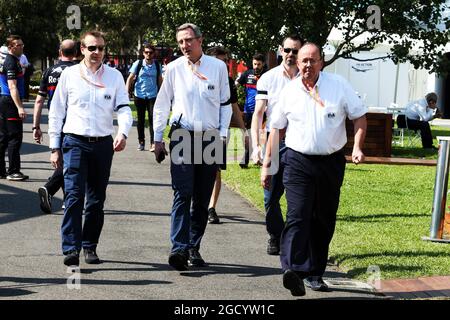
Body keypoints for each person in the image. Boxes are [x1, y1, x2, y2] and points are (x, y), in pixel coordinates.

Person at [261, 43, 367, 296]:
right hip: (298, 161)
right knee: (298, 215)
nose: (308, 65)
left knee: (323, 218)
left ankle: (315, 272)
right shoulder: (289, 92)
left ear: (322, 62)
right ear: (298, 63)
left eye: (313, 60)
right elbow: (276, 129)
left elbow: (359, 117)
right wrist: (268, 166)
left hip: (331, 162)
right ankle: (293, 269)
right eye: (304, 60)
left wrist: (358, 147)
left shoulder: (338, 85)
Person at [48, 31, 133, 266]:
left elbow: (124, 108)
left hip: (103, 145)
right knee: (74, 196)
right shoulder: (70, 75)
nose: (97, 53)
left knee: (96, 200)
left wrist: (123, 132)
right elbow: (56, 112)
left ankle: (89, 246)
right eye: (92, 48)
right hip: (74, 142)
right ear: (82, 49)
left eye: (101, 48)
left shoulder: (115, 76)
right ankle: (71, 248)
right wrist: (54, 146)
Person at [153, 23, 232, 271]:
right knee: (182, 193)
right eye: (180, 42)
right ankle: (178, 248)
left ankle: (193, 247)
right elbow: (162, 104)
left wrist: (222, 136)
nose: (185, 46)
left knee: (201, 197)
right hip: (182, 136)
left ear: (200, 40)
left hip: (210, 138)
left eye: (188, 40)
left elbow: (225, 105)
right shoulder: (174, 68)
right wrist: (157, 138)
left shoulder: (218, 67)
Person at [251, 35, 303, 255]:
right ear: (281, 50)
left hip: (300, 142)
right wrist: (256, 146)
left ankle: (293, 239)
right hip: (275, 140)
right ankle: (275, 234)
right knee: (270, 197)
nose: (291, 55)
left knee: (298, 198)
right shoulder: (268, 78)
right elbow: (259, 113)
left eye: (295, 51)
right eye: (288, 50)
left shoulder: (310, 77)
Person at [32, 39, 76, 214]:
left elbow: (39, 100)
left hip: (55, 119)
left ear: (60, 52)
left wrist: (36, 126)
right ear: (77, 53)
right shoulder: (77, 70)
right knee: (70, 161)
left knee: (66, 159)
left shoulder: (49, 71)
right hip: (73, 121)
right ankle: (50, 188)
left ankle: (67, 199)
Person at [205, 46, 247, 224]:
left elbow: (234, 107)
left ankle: (211, 208)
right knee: (196, 171)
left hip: (219, 131)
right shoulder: (200, 76)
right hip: (197, 130)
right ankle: (197, 203)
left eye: (226, 61)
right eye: (220, 61)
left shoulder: (229, 82)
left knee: (215, 171)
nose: (224, 64)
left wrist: (244, 131)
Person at [0, 35, 28, 181]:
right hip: (10, 102)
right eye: (19, 45)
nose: (22, 47)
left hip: (5, 101)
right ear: (11, 47)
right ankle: (13, 171)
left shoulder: (14, 61)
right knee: (14, 137)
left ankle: (1, 170)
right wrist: (20, 107)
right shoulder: (11, 62)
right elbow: (12, 87)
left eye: (22, 44)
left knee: (4, 137)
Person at [126, 44, 162, 152]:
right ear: (143, 53)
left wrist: (163, 93)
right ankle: (141, 142)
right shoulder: (138, 63)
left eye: (150, 52)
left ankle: (153, 143)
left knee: (152, 119)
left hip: (153, 95)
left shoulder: (156, 64)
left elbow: (160, 79)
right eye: (146, 52)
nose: (148, 54)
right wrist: (126, 92)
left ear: (153, 53)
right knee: (140, 120)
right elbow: (130, 78)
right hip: (139, 95)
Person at [236, 53, 265, 168]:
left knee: (262, 136)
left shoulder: (267, 76)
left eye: (258, 64)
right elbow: (236, 84)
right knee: (250, 135)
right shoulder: (247, 74)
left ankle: (257, 158)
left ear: (263, 64)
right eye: (254, 64)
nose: (256, 66)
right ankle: (247, 159)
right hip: (248, 110)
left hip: (263, 111)